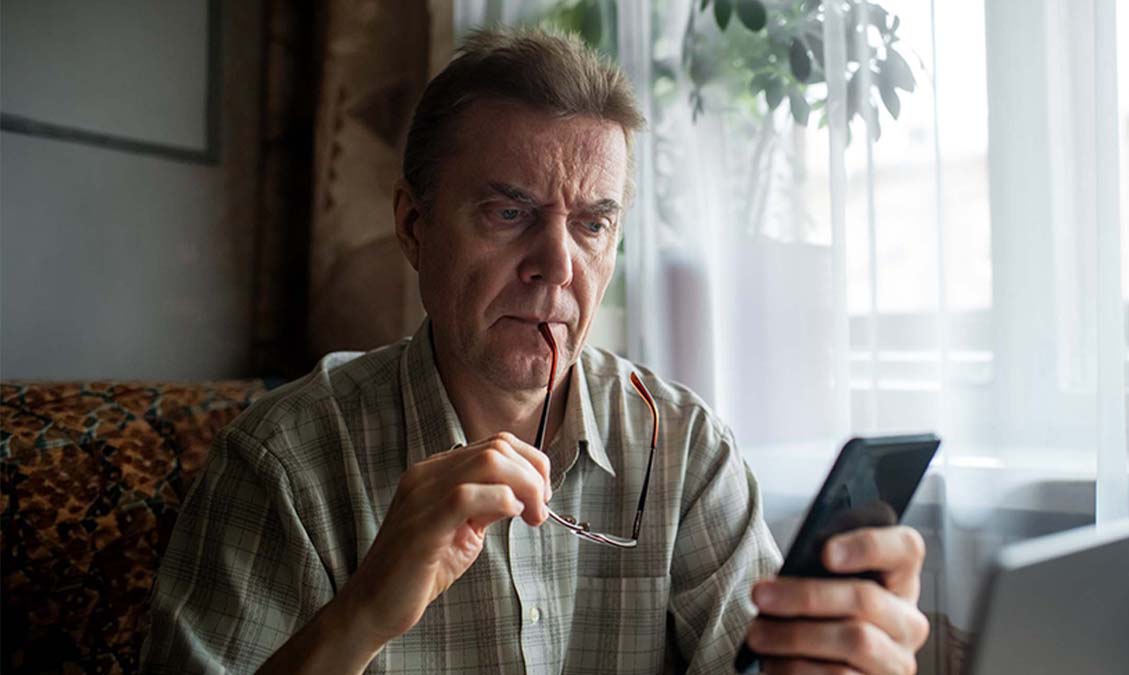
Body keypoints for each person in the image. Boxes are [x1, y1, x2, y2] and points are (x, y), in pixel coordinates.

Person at [142, 27, 929, 675]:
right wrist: (361, 614)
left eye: (591, 224)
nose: (557, 264)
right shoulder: (286, 461)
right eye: (509, 210)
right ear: (414, 227)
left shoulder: (685, 450)